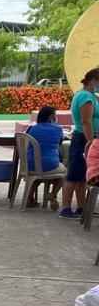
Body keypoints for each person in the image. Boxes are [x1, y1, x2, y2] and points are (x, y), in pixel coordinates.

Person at [63, 68, 99, 219]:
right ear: (93, 80)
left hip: (85, 138)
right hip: (84, 138)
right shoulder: (85, 97)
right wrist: (91, 142)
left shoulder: (88, 95)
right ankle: (65, 208)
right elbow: (86, 121)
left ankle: (81, 206)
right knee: (74, 175)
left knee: (82, 176)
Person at [25, 106, 64, 173]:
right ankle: (55, 183)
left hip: (29, 165)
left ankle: (34, 182)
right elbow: (59, 143)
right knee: (63, 171)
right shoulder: (58, 129)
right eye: (55, 115)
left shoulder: (31, 128)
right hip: (49, 165)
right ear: (51, 117)